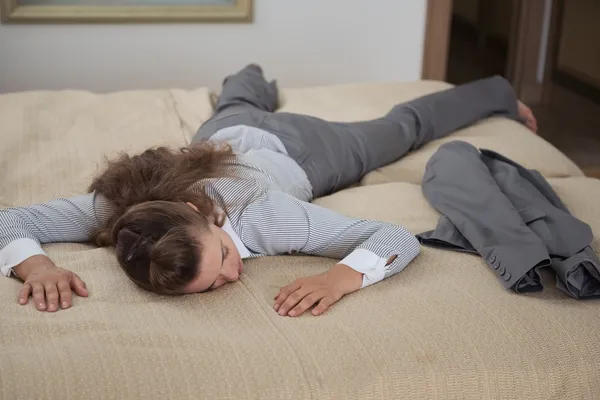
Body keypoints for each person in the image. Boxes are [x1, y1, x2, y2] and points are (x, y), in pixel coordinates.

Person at [0, 64, 538, 316]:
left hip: (301, 149)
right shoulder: (117, 211)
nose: (234, 276)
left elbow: (395, 235)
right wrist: (39, 266)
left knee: (401, 128)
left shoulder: (272, 219)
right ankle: (252, 74)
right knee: (235, 103)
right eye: (213, 286)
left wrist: (340, 277)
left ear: (203, 213)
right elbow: (7, 219)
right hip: (218, 142)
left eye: (226, 258)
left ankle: (496, 92)